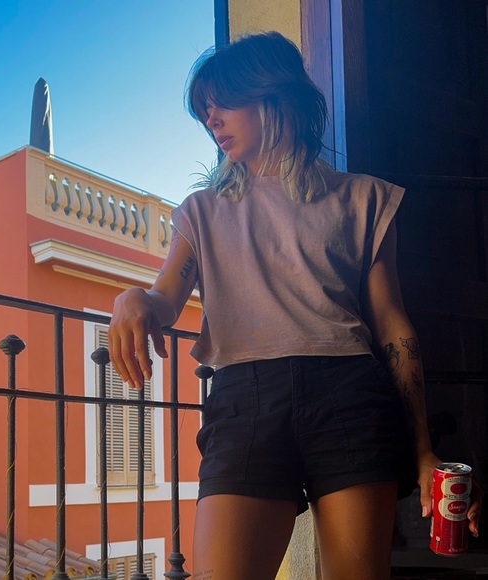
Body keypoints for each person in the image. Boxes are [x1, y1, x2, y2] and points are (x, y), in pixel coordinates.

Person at [108, 31, 482, 579]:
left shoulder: (366, 198)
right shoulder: (201, 211)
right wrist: (131, 299)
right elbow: (164, 299)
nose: (211, 120)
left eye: (222, 102)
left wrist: (423, 451)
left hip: (350, 397)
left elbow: (392, 326)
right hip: (245, 402)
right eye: (204, 110)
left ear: (274, 95)